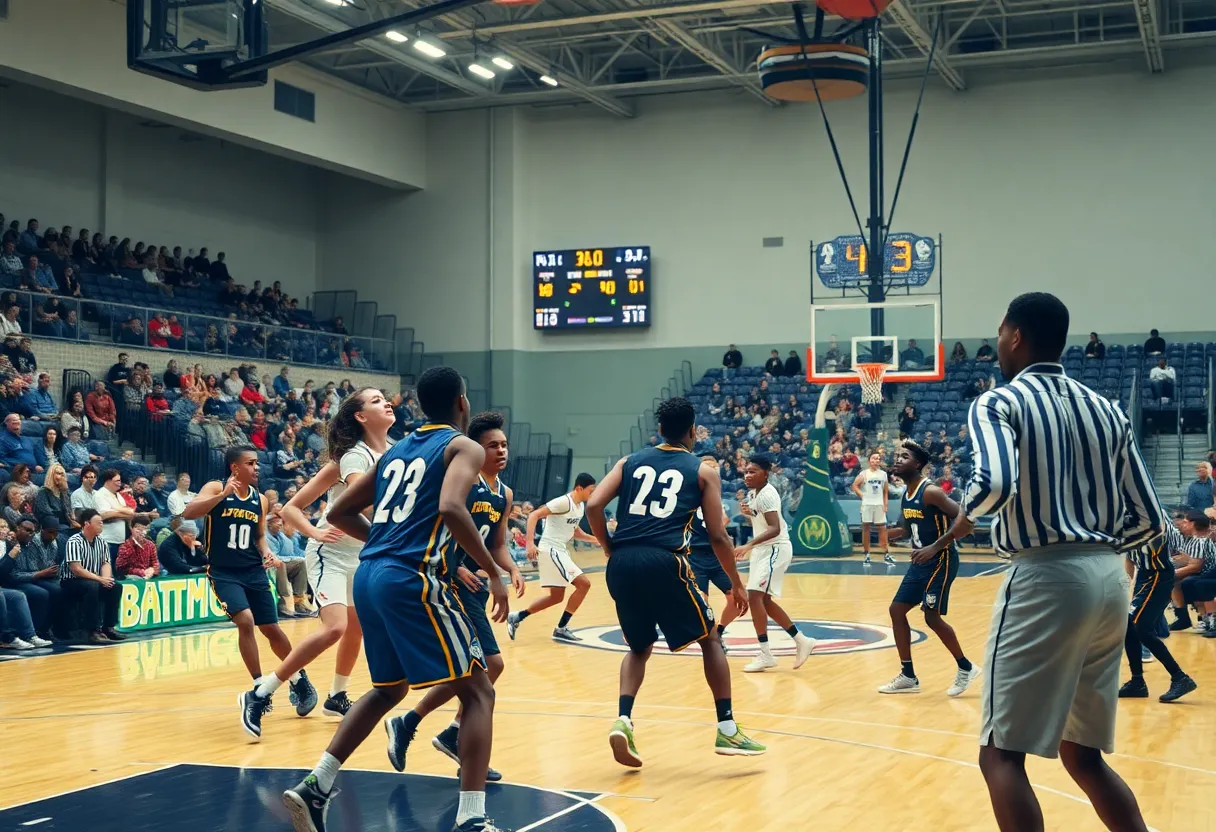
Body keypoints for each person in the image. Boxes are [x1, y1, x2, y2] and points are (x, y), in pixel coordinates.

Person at [947, 292, 1163, 832]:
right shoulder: (1107, 409)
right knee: (1083, 755)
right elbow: (1151, 518)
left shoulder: (999, 402)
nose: (998, 343)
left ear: (1015, 335)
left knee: (1000, 754)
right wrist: (1096, 542)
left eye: (1000, 334)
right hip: (1109, 578)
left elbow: (995, 484)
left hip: (1045, 575)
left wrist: (966, 512)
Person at [281, 366, 508, 832]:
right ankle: (472, 818)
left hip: (370, 574)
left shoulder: (396, 450)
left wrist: (384, 541)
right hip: (410, 577)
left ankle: (316, 785)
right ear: (461, 402)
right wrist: (492, 570)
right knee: (480, 689)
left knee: (389, 688)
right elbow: (451, 507)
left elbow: (339, 511)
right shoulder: (461, 446)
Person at [586, 396, 764, 768]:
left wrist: (607, 546)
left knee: (639, 647)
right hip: (664, 559)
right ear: (692, 431)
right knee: (710, 638)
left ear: (660, 429)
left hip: (621, 563)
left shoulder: (627, 462)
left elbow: (593, 506)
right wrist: (737, 583)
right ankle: (727, 727)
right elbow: (718, 534)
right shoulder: (702, 471)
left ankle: (623, 719)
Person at [248, 388, 396, 735]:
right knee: (335, 628)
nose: (387, 402)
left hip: (362, 553)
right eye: (376, 400)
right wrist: (315, 533)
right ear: (360, 416)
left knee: (357, 629)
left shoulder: (393, 451)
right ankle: (261, 692)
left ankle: (337, 696)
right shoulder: (353, 457)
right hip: (330, 553)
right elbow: (293, 508)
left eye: (384, 398)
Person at [389, 410, 526, 783]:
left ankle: (434, 727)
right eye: (492, 445)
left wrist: (511, 568)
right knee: (490, 665)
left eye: (504, 445)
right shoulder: (463, 480)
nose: (501, 451)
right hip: (451, 583)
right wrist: (455, 567)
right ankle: (440, 731)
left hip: (477, 586)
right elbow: (444, 525)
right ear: (477, 449)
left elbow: (496, 543)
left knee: (472, 669)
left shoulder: (504, 494)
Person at [186, 446, 314, 737]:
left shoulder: (260, 499)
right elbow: (189, 512)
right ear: (235, 467)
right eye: (251, 463)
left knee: (272, 629)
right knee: (245, 620)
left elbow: (259, 536)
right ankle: (258, 688)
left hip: (254, 570)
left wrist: (268, 552)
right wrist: (221, 496)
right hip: (223, 571)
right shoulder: (215, 487)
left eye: (257, 463)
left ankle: (298, 678)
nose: (257, 468)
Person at [875, 441, 980, 696]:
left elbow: (966, 521)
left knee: (931, 617)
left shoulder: (931, 491)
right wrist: (887, 533)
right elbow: (905, 528)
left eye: (905, 456)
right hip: (920, 561)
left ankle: (966, 667)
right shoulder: (907, 493)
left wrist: (935, 546)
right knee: (896, 610)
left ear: (918, 464)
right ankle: (908, 676)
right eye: (897, 455)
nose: (898, 459)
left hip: (941, 560)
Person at [731, 454, 815, 673]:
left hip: (774, 548)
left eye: (753, 472)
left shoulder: (767, 494)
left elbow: (775, 528)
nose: (747, 476)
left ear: (765, 474)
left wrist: (747, 545)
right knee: (764, 601)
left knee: (754, 596)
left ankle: (766, 654)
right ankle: (802, 640)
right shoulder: (753, 493)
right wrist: (750, 514)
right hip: (764, 550)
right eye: (746, 472)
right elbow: (762, 521)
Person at [506, 473, 598, 642]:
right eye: (590, 491)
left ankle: (517, 616)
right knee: (584, 584)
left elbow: (576, 532)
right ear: (579, 488)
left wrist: (598, 541)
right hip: (551, 549)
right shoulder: (563, 502)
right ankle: (561, 628)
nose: (592, 495)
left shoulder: (579, 507)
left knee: (556, 597)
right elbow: (534, 515)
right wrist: (529, 544)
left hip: (559, 550)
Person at [1117, 517, 1196, 702]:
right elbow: (1130, 556)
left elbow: (1156, 539)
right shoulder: (1126, 515)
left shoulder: (1150, 514)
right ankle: (1137, 682)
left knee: (1141, 627)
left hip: (1158, 574)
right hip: (1146, 574)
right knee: (1130, 626)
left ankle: (1180, 677)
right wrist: (1127, 583)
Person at [687, 457, 744, 640]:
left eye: (714, 467)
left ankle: (718, 633)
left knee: (738, 601)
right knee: (701, 604)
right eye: (708, 467)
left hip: (717, 556)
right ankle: (709, 640)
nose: (712, 470)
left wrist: (718, 533)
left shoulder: (714, 496)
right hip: (695, 556)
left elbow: (724, 520)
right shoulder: (687, 496)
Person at [59, 509, 125, 643]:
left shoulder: (101, 541)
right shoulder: (74, 541)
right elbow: (76, 569)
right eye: (98, 522)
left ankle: (109, 627)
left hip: (93, 579)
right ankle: (92, 631)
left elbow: (105, 562)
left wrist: (106, 580)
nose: (102, 525)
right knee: (92, 587)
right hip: (71, 581)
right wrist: (100, 579)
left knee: (115, 587)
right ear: (87, 524)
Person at [4, 517, 63, 640]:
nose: (31, 534)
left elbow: (35, 567)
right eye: (27, 530)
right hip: (14, 581)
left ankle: (44, 630)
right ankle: (32, 632)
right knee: (41, 593)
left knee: (59, 589)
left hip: (32, 577)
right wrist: (40, 573)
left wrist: (44, 572)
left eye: (32, 532)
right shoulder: (11, 544)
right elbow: (14, 576)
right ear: (17, 528)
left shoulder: (30, 543)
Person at [852, 452, 892, 565]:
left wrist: (886, 504)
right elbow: (854, 485)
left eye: (878, 459)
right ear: (869, 461)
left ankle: (886, 554)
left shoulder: (883, 474)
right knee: (866, 528)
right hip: (867, 504)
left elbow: (885, 491)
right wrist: (862, 495)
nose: (876, 460)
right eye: (874, 458)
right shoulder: (864, 473)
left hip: (879, 504)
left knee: (882, 528)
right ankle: (867, 554)